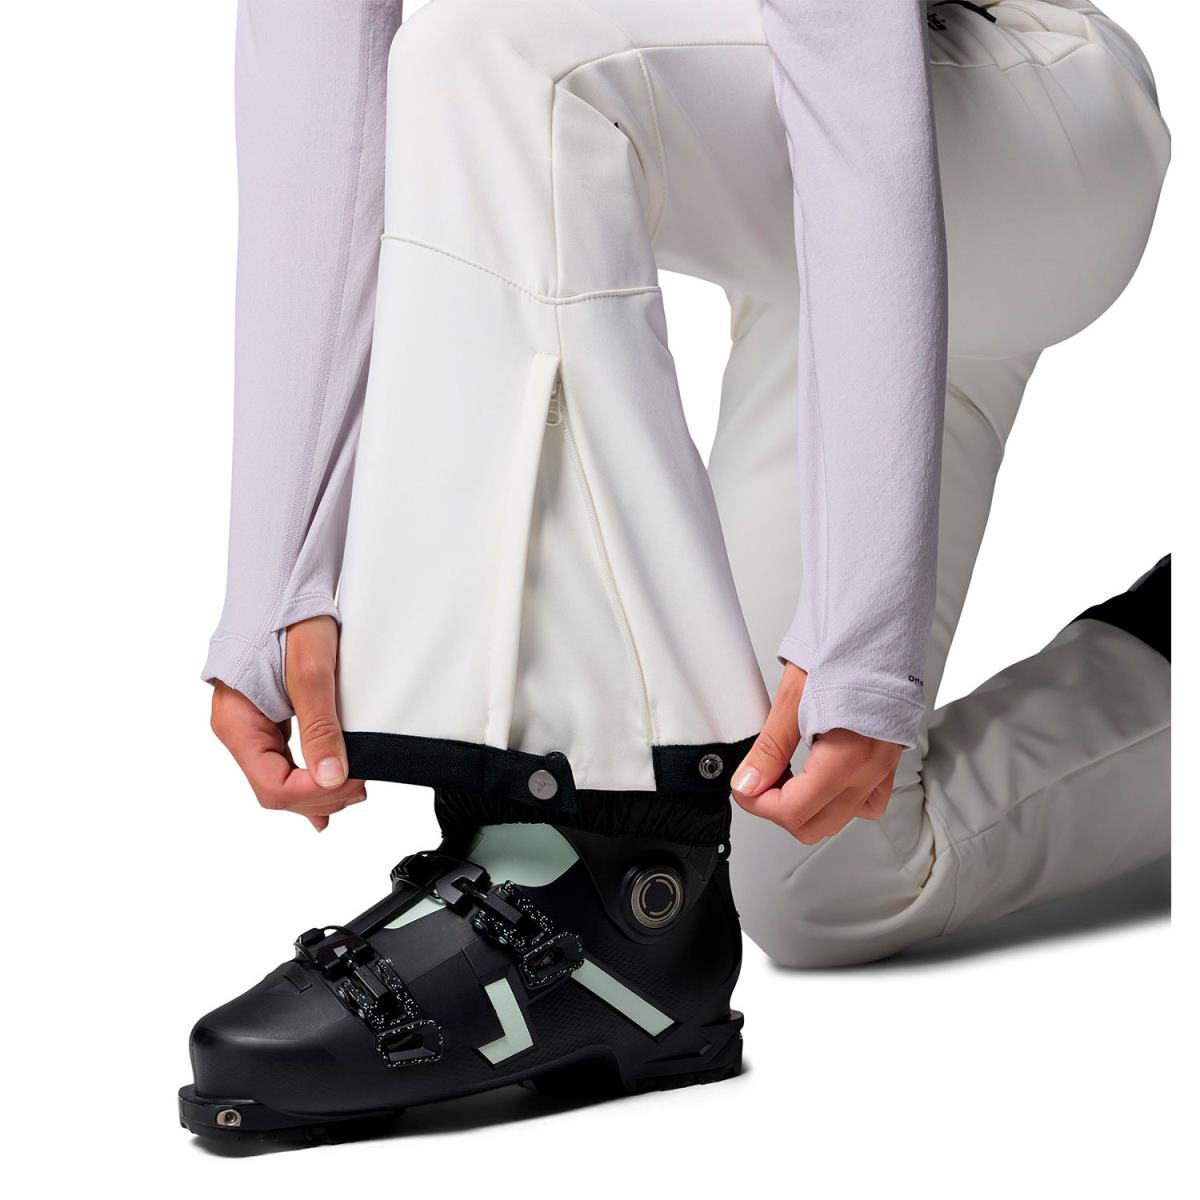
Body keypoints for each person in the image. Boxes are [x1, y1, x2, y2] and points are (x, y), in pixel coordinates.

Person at [181, 0, 1171, 1140]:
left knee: (506, 58)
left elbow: (855, 81)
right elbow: (322, 107)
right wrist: (275, 591)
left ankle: (575, 857)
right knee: (808, 876)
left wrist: (862, 648)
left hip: (1005, 118)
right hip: (798, 215)